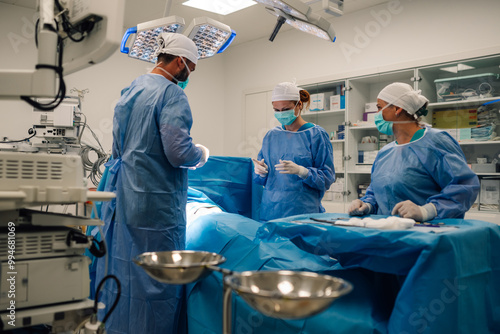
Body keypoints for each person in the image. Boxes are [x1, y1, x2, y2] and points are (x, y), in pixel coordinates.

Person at [95, 33, 209, 334]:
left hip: (122, 196)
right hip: (154, 205)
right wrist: (201, 155)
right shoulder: (172, 94)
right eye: (191, 68)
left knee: (124, 268)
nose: (190, 76)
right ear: (179, 62)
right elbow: (178, 152)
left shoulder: (130, 90)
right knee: (156, 279)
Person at [348, 82, 479, 221]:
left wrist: (426, 211)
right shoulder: (385, 153)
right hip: (388, 234)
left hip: (427, 235)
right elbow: (377, 192)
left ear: (397, 109)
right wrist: (366, 204)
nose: (377, 115)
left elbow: (464, 186)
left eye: (380, 108)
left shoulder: (435, 143)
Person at [253, 81, 335, 221]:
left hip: (303, 213)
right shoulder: (271, 136)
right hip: (271, 211)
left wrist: (303, 171)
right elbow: (262, 179)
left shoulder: (316, 135)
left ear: (299, 105)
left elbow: (327, 178)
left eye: (285, 109)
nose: (281, 114)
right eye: (276, 110)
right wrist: (260, 171)